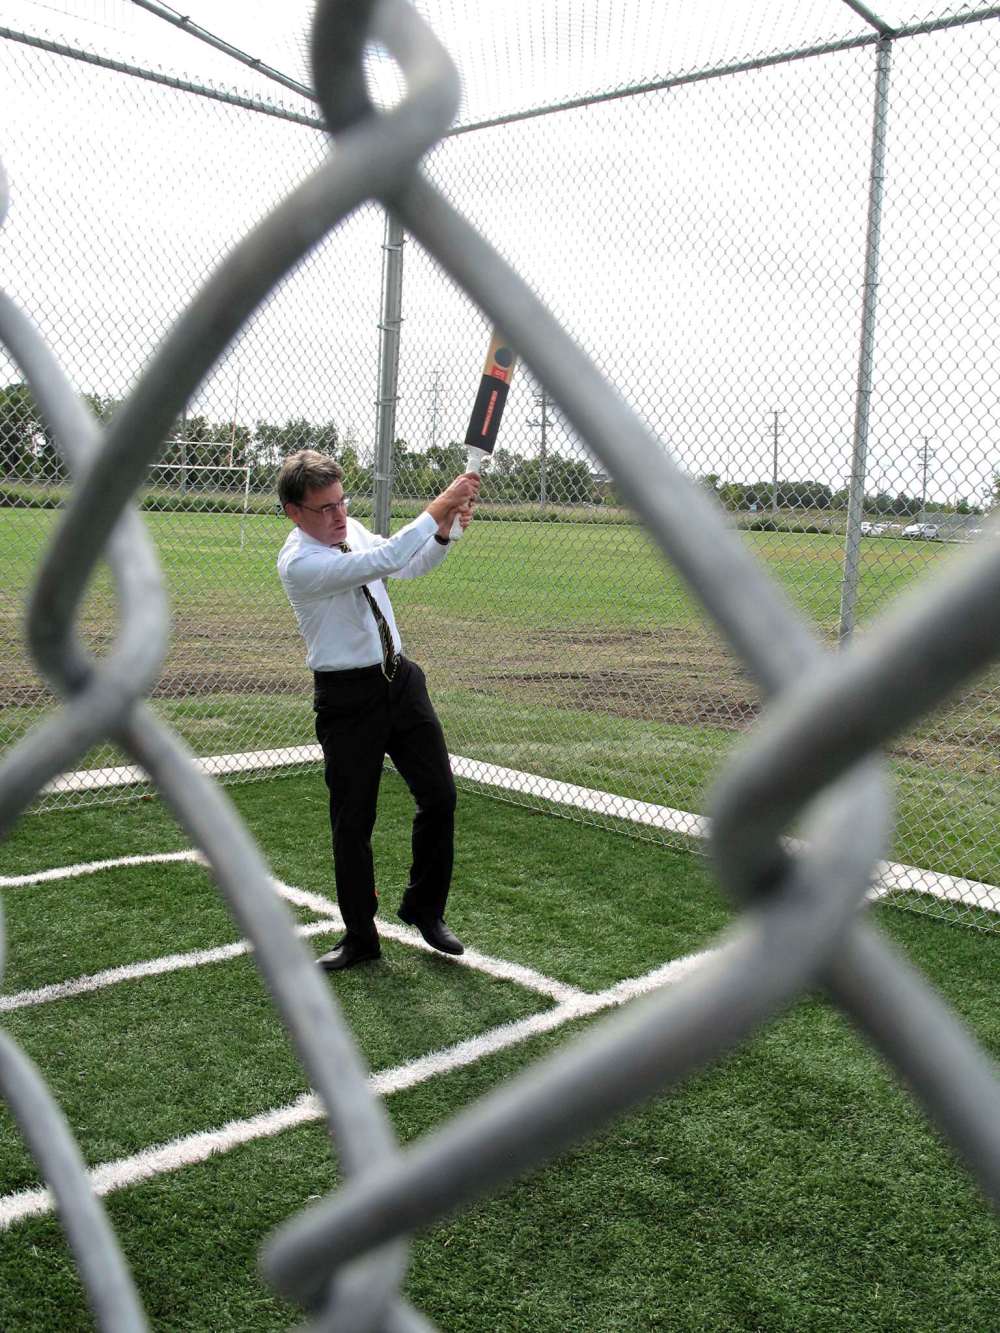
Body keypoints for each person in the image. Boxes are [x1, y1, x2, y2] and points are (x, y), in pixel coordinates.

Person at [276, 448, 479, 971]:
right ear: (294, 513)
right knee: (352, 821)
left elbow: (407, 565)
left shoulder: (352, 531)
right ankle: (360, 936)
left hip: (401, 682)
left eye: (342, 502)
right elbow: (384, 560)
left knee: (440, 796)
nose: (339, 514)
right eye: (324, 508)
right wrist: (439, 506)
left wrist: (446, 531)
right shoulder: (301, 563)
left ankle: (424, 909)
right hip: (348, 698)